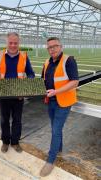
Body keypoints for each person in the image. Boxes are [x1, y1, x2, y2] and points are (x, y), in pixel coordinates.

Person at [0, 32, 35, 153]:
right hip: (4, 93)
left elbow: (31, 74)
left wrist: (25, 85)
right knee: (4, 119)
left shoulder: (24, 56)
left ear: (19, 43)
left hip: (19, 94)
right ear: (7, 42)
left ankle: (15, 142)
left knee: (17, 120)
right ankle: (5, 142)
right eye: (11, 43)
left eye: (16, 43)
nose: (13, 45)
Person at [40, 37, 79, 177]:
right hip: (51, 101)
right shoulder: (47, 62)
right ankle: (59, 149)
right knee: (55, 128)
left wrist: (56, 92)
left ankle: (50, 160)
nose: (52, 49)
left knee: (56, 130)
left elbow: (74, 82)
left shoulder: (69, 60)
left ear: (60, 46)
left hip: (63, 102)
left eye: (55, 46)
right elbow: (42, 81)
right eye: (49, 47)